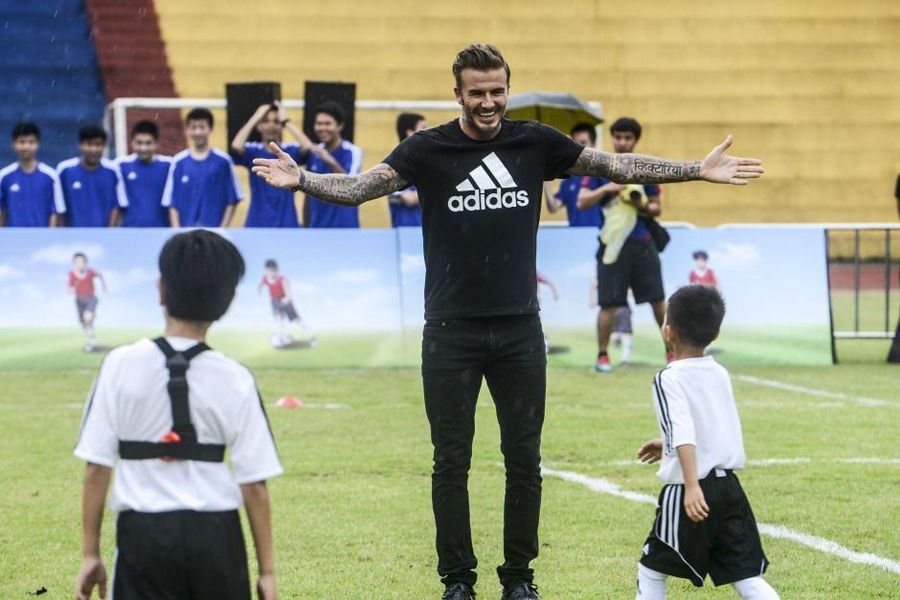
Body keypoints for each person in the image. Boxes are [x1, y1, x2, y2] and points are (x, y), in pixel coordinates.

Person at [251, 43, 763, 600]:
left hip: (520, 328)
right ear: (457, 94)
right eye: (477, 93)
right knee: (451, 460)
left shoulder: (534, 143)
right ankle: (457, 581)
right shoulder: (427, 149)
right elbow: (358, 189)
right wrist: (302, 179)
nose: (489, 102)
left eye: (498, 91)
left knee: (524, 458)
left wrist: (694, 170)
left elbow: (617, 166)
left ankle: (519, 579)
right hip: (449, 330)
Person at [73, 230, 281, 600]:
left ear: (160, 290)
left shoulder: (118, 364)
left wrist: (91, 554)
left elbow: (96, 467)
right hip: (217, 537)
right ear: (228, 302)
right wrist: (267, 572)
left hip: (143, 535)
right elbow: (255, 485)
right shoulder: (236, 377)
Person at [635, 285, 780, 600]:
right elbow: (712, 429)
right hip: (729, 488)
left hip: (691, 488)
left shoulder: (668, 378)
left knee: (651, 569)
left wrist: (691, 485)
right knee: (747, 577)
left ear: (668, 331)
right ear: (716, 334)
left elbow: (685, 431)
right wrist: (667, 444)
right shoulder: (719, 372)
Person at [577, 117, 668, 372]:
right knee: (608, 303)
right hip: (611, 244)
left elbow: (656, 208)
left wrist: (639, 204)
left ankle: (672, 352)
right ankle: (603, 356)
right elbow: (582, 201)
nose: (623, 142)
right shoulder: (599, 166)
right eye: (618, 137)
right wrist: (608, 188)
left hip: (643, 243)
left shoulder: (646, 167)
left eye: (628, 138)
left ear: (635, 140)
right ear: (612, 137)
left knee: (658, 300)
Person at [231, 101, 314, 227]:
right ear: (259, 126)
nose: (271, 125)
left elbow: (308, 147)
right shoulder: (253, 151)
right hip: (257, 222)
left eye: (276, 121)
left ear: (281, 126)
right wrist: (256, 117)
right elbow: (236, 145)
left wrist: (286, 120)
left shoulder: (289, 152)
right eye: (266, 121)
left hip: (287, 223)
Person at [163, 108, 243, 228]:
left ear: (210, 129)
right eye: (193, 127)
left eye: (202, 127)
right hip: (185, 234)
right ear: (187, 130)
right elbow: (172, 202)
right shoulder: (178, 162)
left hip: (214, 234)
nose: (198, 132)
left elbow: (232, 199)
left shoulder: (223, 161)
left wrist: (221, 230)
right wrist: (177, 231)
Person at [301, 101, 363, 228]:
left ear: (340, 126)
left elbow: (352, 185)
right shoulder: (313, 152)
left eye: (327, 123)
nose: (322, 128)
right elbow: (307, 196)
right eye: (319, 124)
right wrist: (306, 227)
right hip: (316, 229)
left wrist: (331, 161)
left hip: (345, 229)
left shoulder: (352, 151)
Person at [57, 125, 128, 227]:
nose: (93, 149)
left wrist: (110, 233)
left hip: (103, 239)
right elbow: (58, 206)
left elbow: (116, 205)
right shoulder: (64, 170)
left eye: (98, 145)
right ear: (80, 145)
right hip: (72, 239)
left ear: (104, 146)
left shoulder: (113, 171)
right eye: (89, 144)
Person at [0, 122, 65, 227]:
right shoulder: (4, 176)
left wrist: (50, 239)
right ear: (14, 144)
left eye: (31, 142)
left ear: (38, 144)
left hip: (42, 241)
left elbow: (54, 212)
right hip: (12, 240)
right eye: (22, 142)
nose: (26, 146)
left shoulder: (51, 176)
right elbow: (2, 211)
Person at [542, 122, 602, 227]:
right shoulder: (569, 178)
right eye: (575, 144)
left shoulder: (602, 175)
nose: (579, 149)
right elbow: (553, 206)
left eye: (583, 143)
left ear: (594, 144)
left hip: (600, 237)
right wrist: (544, 174)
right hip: (575, 237)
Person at [116, 121, 172, 227]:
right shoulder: (120, 166)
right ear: (132, 143)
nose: (143, 148)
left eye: (148, 143)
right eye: (139, 143)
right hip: (129, 232)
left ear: (156, 143)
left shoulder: (170, 166)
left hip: (162, 231)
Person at [258, 258, 315, 348]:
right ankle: (282, 338)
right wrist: (259, 290)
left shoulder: (282, 279)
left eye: (274, 270)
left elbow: (288, 292)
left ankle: (311, 335)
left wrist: (287, 298)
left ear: (277, 270)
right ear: (266, 271)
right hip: (275, 302)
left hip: (285, 301)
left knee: (297, 320)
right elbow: (261, 283)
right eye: (269, 271)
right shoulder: (265, 278)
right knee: (279, 318)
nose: (272, 273)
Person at [388, 112, 428, 227]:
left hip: (426, 235)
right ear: (410, 133)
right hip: (404, 235)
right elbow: (410, 199)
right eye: (423, 128)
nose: (428, 132)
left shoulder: (425, 162)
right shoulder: (393, 165)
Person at [68, 252, 107, 352]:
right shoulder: (72, 274)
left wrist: (103, 285)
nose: (80, 264)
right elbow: (70, 288)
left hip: (90, 298)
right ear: (74, 263)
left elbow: (99, 274)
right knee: (83, 324)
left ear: (85, 263)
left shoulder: (90, 272)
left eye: (82, 262)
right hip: (79, 300)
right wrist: (71, 289)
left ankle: (91, 339)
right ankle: (91, 340)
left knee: (88, 317)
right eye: (77, 262)